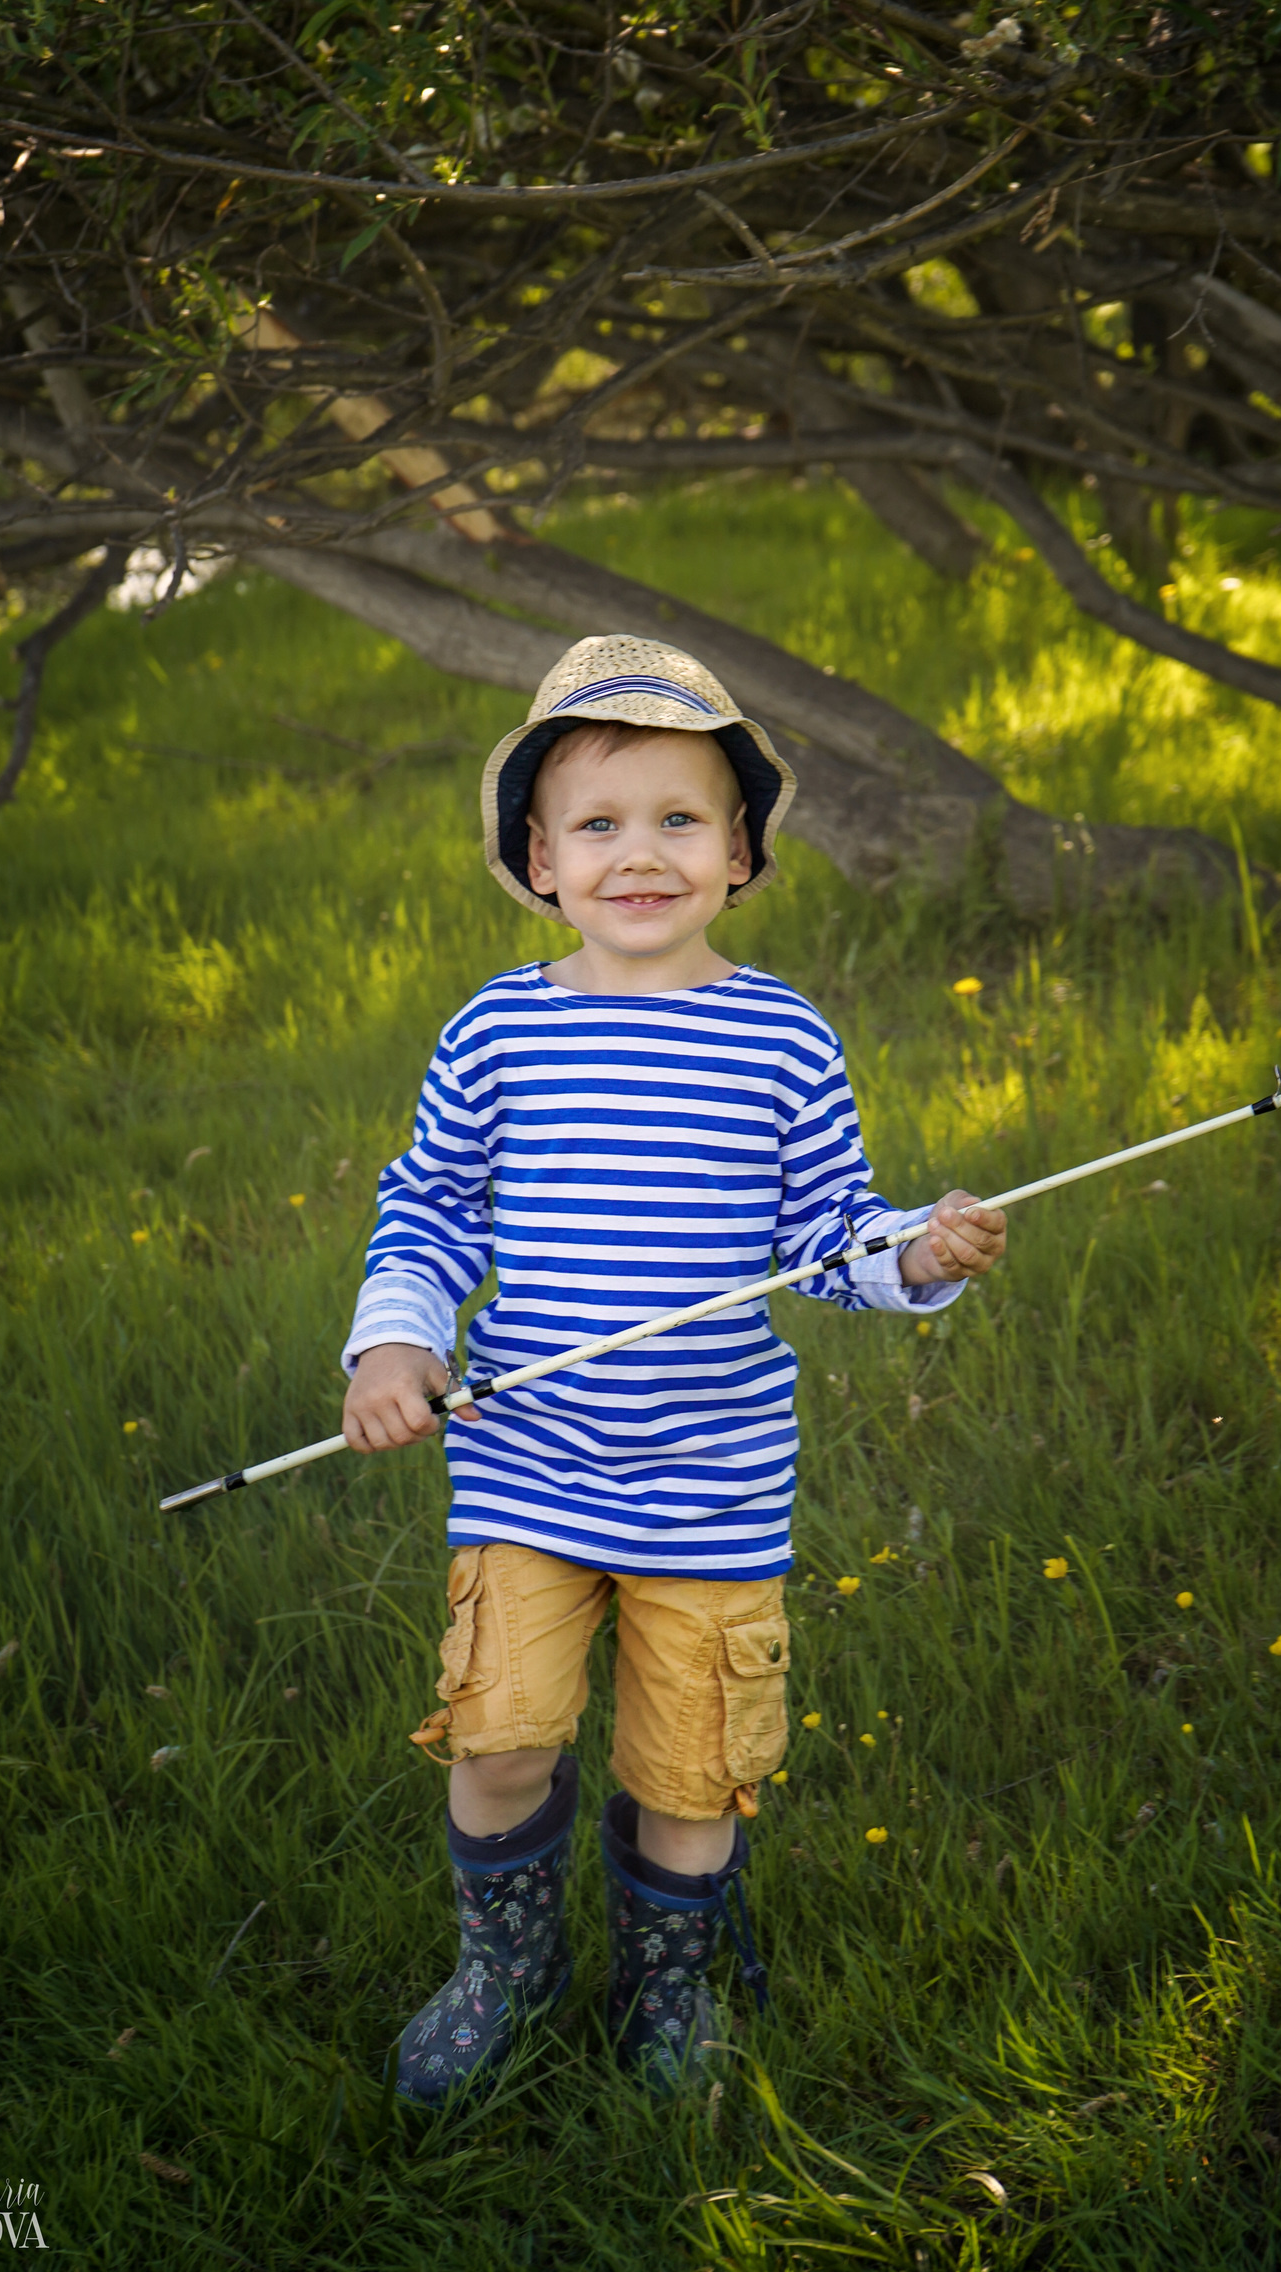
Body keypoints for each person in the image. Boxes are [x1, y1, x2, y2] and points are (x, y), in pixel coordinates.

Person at [340, 633, 1007, 2104]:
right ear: (539, 858)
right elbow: (433, 1208)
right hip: (526, 1471)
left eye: (680, 819)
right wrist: (398, 1336)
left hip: (711, 1486)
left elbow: (828, 1234)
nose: (639, 855)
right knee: (503, 1737)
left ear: (743, 852)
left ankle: (667, 1990)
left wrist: (916, 1253)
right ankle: (505, 1969)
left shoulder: (782, 1037)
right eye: (599, 823)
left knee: (690, 1767)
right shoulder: (500, 1029)